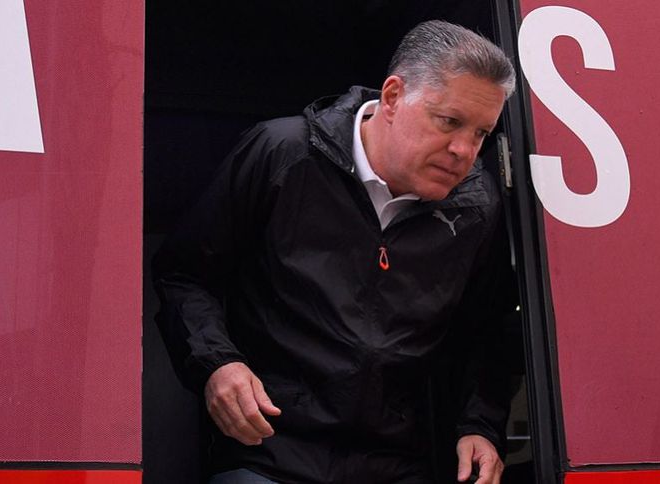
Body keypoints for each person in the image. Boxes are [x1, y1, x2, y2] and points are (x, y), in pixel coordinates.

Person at [153, 19, 517, 484]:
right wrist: (217, 364)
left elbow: (486, 333)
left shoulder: (477, 206)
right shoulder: (282, 155)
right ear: (392, 97)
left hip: (400, 464)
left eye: (481, 134)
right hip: (267, 453)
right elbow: (185, 274)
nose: (463, 150)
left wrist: (479, 426)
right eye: (449, 122)